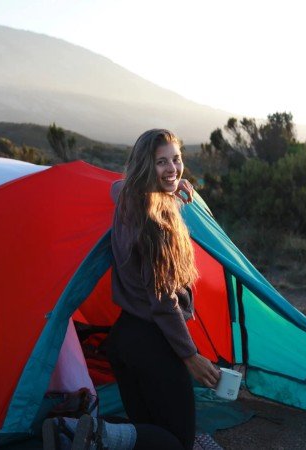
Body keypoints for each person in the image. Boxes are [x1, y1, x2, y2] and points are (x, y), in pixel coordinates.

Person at [43, 129, 221, 450]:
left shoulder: (128, 200)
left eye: (176, 159)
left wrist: (172, 183)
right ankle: (95, 435)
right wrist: (190, 356)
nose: (172, 168)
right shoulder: (157, 227)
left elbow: (117, 185)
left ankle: (72, 428)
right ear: (144, 166)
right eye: (161, 162)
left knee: (146, 430)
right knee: (177, 441)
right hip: (154, 341)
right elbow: (163, 303)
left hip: (124, 339)